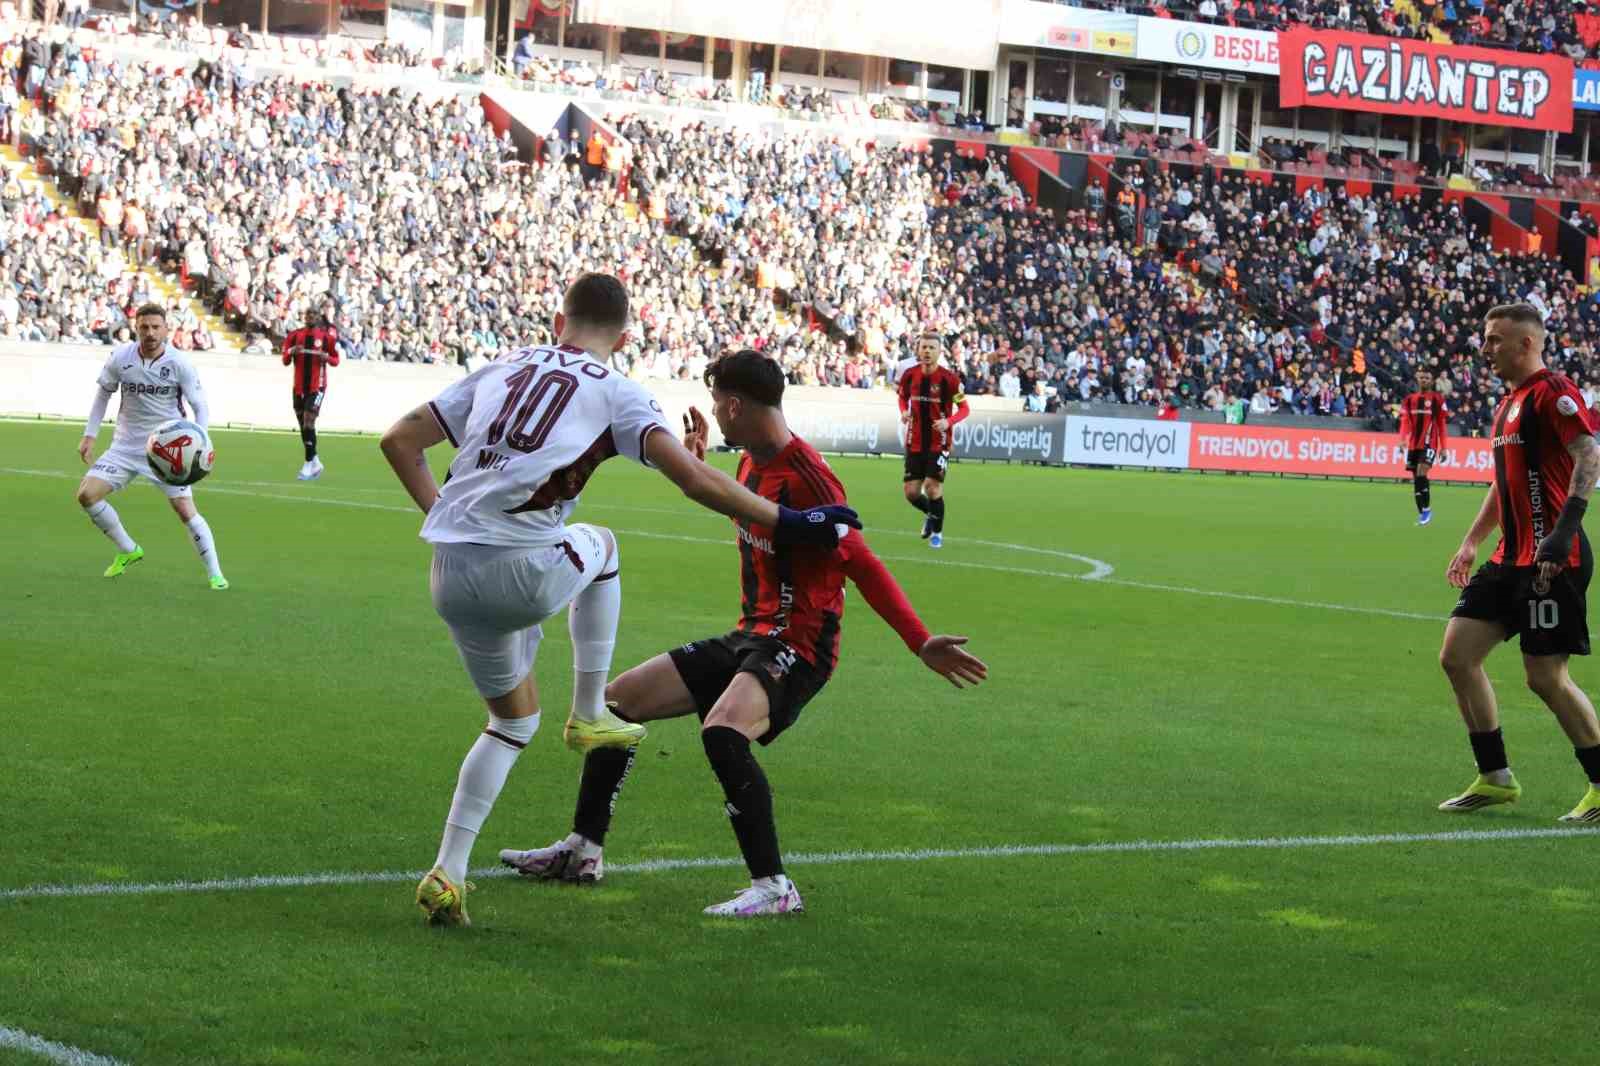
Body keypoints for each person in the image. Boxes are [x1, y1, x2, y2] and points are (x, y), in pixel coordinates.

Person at [377, 275, 859, 927]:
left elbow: (397, 442)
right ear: (625, 338)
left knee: (511, 724)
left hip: (450, 572)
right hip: (524, 571)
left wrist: (447, 515)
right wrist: (794, 522)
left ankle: (450, 874)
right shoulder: (616, 390)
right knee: (602, 544)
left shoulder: (502, 367)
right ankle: (585, 714)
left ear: (557, 322)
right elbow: (691, 479)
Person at [499, 349, 987, 916]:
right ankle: (582, 850)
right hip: (750, 636)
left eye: (716, 403)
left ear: (733, 405)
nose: (715, 412)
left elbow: (860, 561)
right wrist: (700, 463)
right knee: (615, 703)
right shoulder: (752, 463)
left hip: (799, 645)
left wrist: (918, 639)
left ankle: (775, 888)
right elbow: (746, 513)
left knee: (724, 731)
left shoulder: (808, 478)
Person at [1439, 303, 1600, 823]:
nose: (1485, 349)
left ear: (1526, 343)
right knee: (1457, 656)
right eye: (1485, 339)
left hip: (1555, 558)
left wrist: (1564, 530)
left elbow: (1589, 454)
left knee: (1545, 678)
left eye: (1494, 340)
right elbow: (1503, 480)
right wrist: (1470, 541)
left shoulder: (1553, 393)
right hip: (1511, 557)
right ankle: (1496, 778)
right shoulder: (1510, 403)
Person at [74, 303, 227, 589]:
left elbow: (199, 406)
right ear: (136, 328)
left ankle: (215, 574)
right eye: (144, 327)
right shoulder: (121, 357)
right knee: (86, 495)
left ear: (167, 329)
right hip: (125, 446)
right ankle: (128, 549)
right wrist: (90, 434)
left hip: (166, 450)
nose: (150, 333)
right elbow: (103, 395)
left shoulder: (179, 363)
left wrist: (201, 444)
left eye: (156, 327)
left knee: (185, 510)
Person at [896, 332, 969, 548]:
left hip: (940, 442)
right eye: (924, 347)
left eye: (931, 348)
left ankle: (937, 533)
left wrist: (949, 422)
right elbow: (902, 397)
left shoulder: (950, 380)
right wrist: (903, 411)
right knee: (910, 493)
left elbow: (964, 409)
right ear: (918, 350)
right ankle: (932, 514)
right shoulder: (910, 375)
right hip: (914, 440)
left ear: (939, 352)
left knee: (932, 487)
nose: (927, 351)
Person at [282, 305, 339, 481]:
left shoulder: (326, 338)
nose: (311, 317)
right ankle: (315, 459)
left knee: (308, 420)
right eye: (308, 314)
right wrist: (292, 352)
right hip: (299, 387)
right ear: (304, 316)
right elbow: (285, 359)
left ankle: (308, 463)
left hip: (317, 386)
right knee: (303, 425)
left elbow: (336, 360)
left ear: (318, 317)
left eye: (314, 314)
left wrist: (326, 358)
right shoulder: (294, 336)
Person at [1399, 369, 1448, 526]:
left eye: (1427, 378)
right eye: (1422, 377)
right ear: (1417, 379)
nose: (1424, 380)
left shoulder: (1437, 399)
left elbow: (1441, 424)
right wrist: (1402, 440)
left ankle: (1426, 509)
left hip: (1429, 443)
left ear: (1432, 380)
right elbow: (1405, 421)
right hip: (1414, 444)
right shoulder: (1409, 400)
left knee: (1421, 472)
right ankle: (1422, 513)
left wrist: (1444, 447)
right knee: (1416, 478)